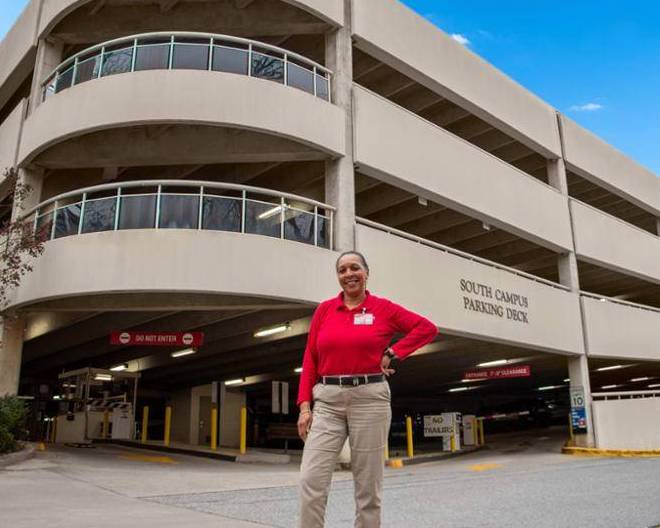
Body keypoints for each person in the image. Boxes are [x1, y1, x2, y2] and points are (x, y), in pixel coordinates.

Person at [297, 250, 438, 528]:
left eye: (355, 268)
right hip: (327, 400)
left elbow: (426, 328)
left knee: (367, 488)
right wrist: (304, 406)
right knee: (310, 480)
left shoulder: (383, 309)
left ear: (366, 273)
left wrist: (395, 351)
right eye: (342, 270)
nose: (349, 274)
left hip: (369, 399)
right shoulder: (324, 310)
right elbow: (310, 359)